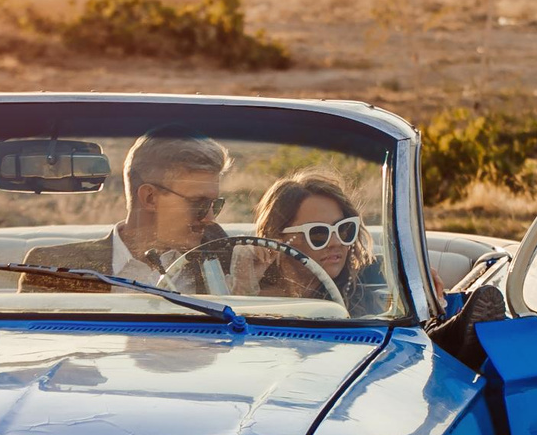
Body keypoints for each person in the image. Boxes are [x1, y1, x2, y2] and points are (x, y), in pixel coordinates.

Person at [21, 132, 232, 293]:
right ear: (150, 198)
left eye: (215, 204)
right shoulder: (53, 268)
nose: (209, 218)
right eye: (199, 203)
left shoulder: (227, 257)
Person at [250, 170, 387, 313]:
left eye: (343, 229)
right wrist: (244, 286)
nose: (336, 242)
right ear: (277, 238)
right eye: (318, 233)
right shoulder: (247, 294)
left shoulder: (366, 302)